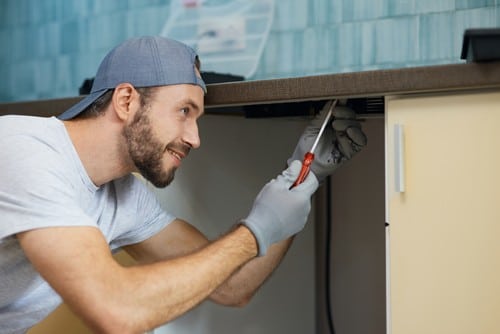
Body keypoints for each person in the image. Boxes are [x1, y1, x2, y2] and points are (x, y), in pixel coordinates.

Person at [0, 36, 366, 333]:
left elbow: (231, 285)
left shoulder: (122, 195)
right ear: (126, 101)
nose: (195, 138)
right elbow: (114, 310)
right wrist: (253, 233)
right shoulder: (27, 152)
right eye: (184, 111)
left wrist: (302, 177)